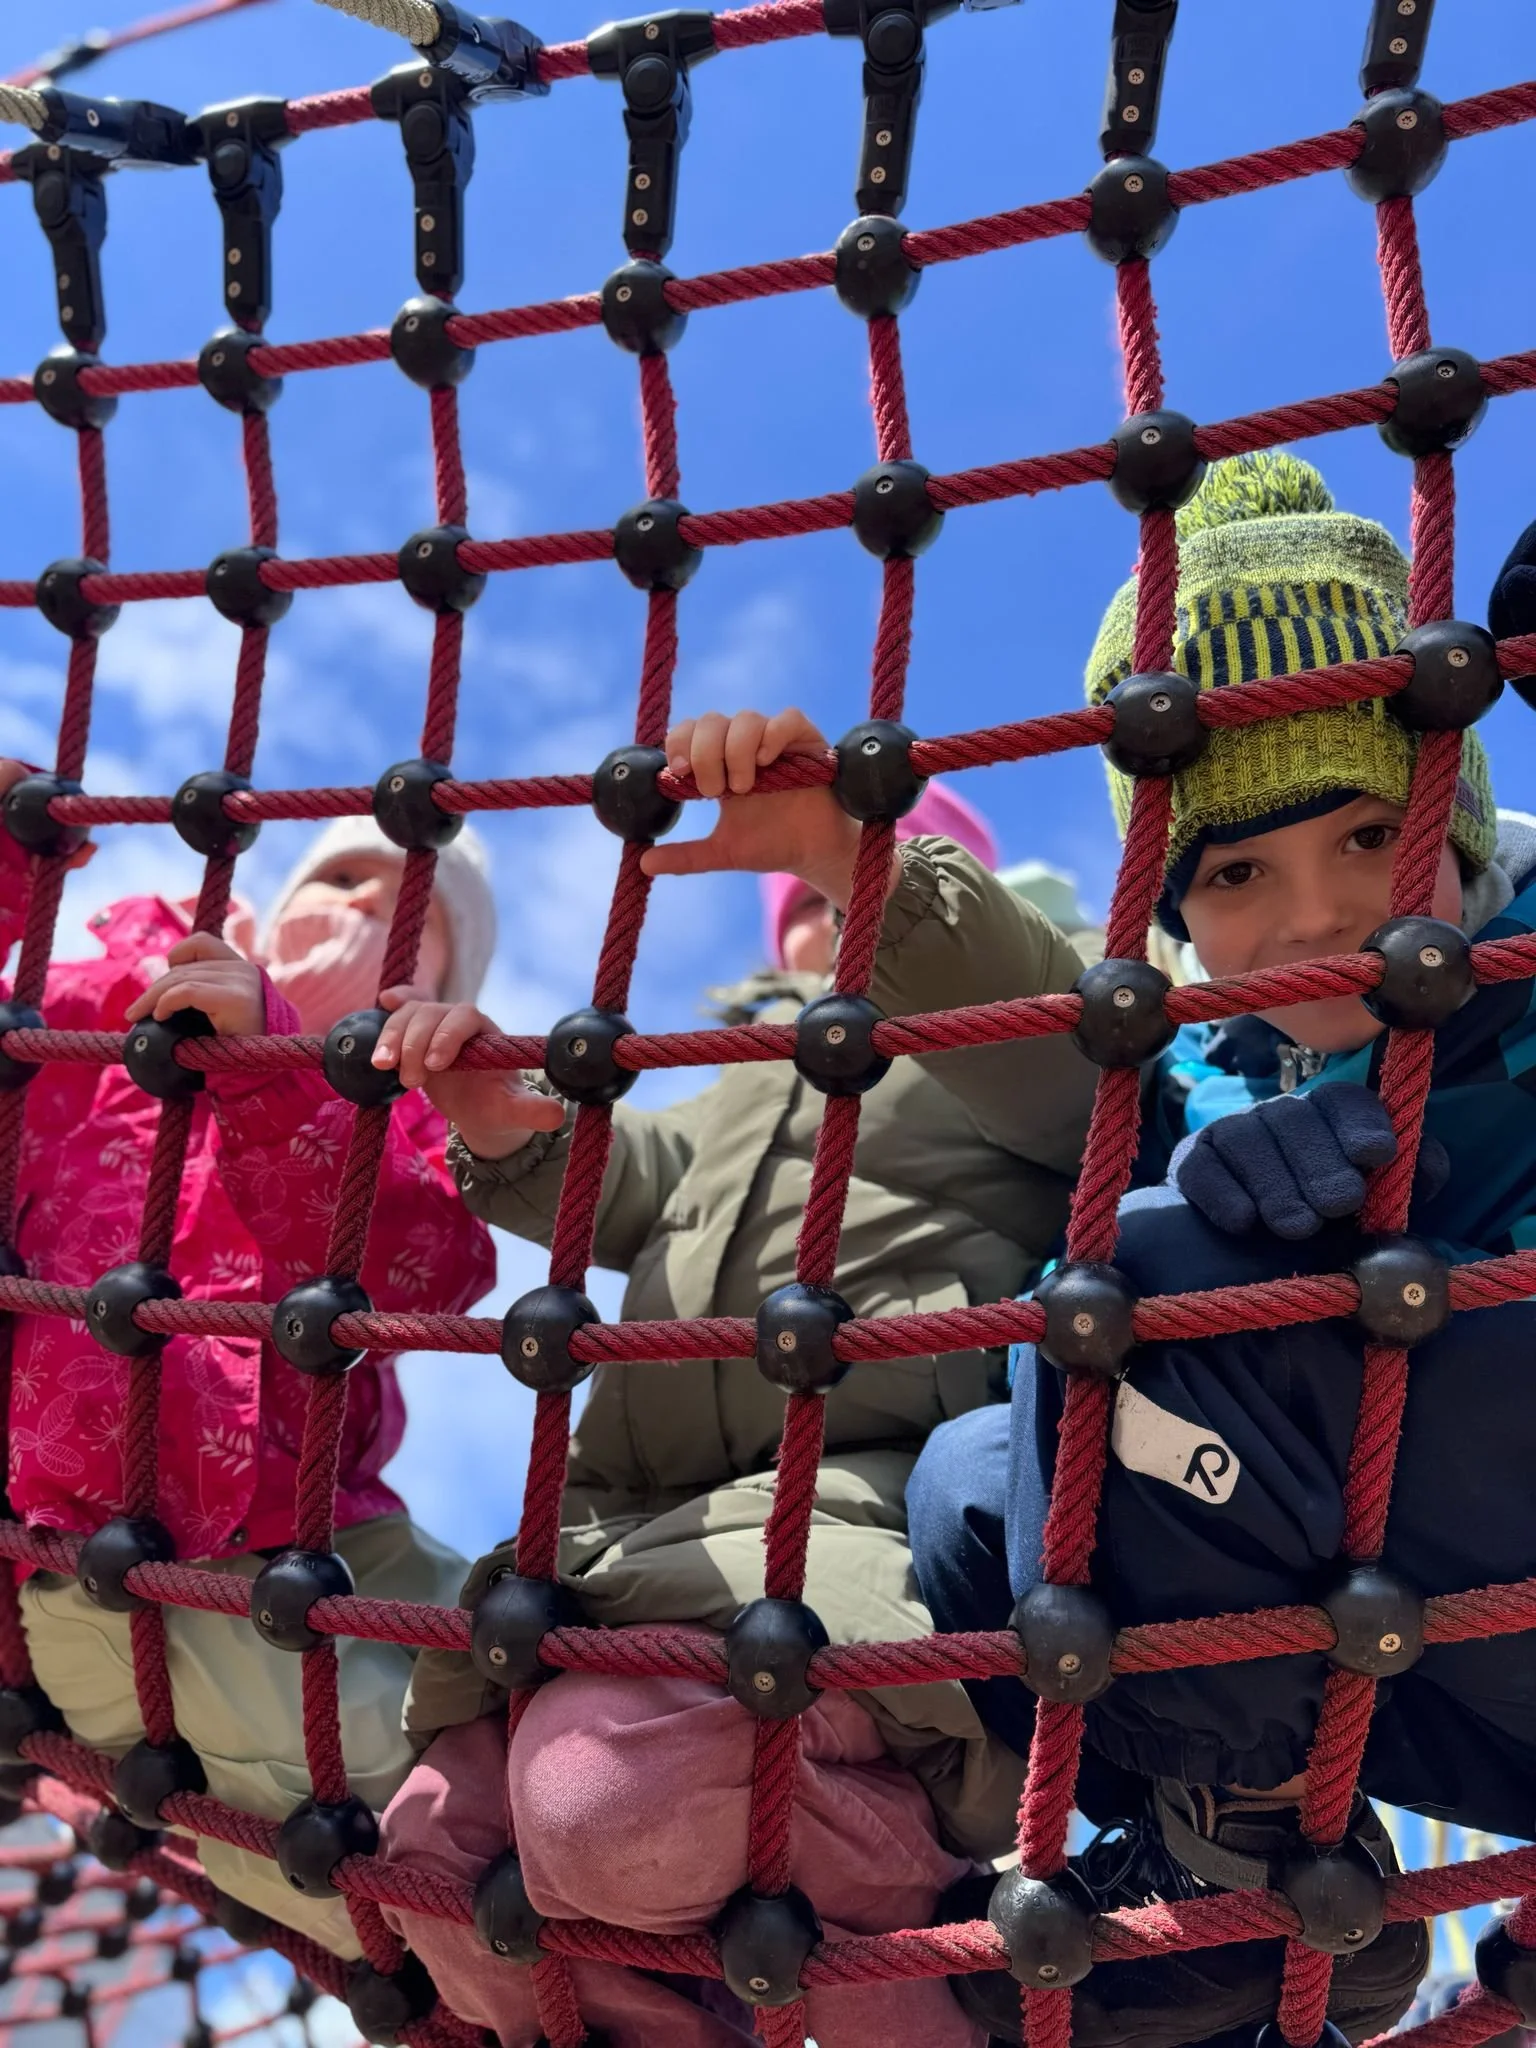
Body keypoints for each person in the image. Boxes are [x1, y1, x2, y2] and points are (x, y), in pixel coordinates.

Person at [906, 452, 1536, 2045]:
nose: (1320, 914)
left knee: (1164, 1286)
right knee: (987, 1474)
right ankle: (1246, 1855)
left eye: (1372, 834)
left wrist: (1398, 1206)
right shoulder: (1187, 1087)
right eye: (1238, 872)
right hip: (1415, 1666)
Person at [369, 737, 1102, 2045]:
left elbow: (1058, 1058)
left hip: (849, 1493)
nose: (829, 917)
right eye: (809, 904)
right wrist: (496, 1114)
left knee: (608, 1800)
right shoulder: (740, 1071)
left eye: (855, 885)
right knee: (429, 1861)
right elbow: (622, 1176)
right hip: (622, 1518)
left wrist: (850, 844)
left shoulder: (1023, 1016)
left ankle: (963, 1973)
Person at [0, 777, 499, 1956]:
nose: (365, 911)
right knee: (379, 1831)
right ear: (263, 911)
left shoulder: (405, 1113)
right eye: (337, 879)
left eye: (410, 921)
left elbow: (424, 1270)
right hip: (106, 1548)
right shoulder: (113, 1011)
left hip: (313, 1535)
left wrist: (278, 1061)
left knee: (510, 1693)